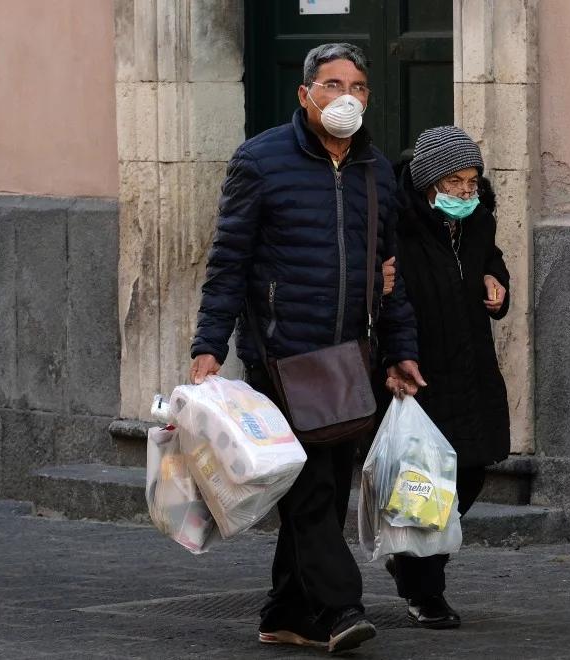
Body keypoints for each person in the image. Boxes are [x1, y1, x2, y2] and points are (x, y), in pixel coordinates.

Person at [188, 42, 426, 654]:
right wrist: (209, 345)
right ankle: (339, 606)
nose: (346, 97)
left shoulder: (377, 171)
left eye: (358, 87)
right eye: (331, 85)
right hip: (282, 353)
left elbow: (389, 273)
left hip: (351, 357)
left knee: (319, 481)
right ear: (304, 94)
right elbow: (229, 263)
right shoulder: (261, 161)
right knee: (313, 487)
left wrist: (401, 350)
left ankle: (286, 611)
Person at [383, 126, 512, 629]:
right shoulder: (400, 230)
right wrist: (396, 359)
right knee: (426, 484)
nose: (465, 191)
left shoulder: (477, 222)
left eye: (472, 180)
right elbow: (390, 301)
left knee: (474, 470)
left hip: (473, 366)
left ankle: (416, 563)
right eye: (454, 181)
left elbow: (491, 262)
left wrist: (496, 283)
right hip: (422, 371)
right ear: (427, 183)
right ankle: (425, 590)